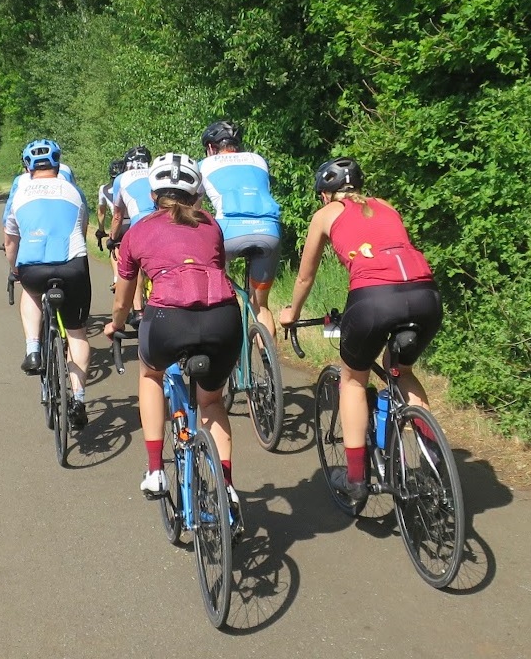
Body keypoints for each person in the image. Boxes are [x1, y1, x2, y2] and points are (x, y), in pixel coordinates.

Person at [278, 157, 442, 502]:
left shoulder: (325, 215)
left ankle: (356, 480)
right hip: (426, 296)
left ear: (325, 194)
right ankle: (435, 460)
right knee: (402, 372)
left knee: (353, 380)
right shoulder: (385, 205)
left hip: (374, 300)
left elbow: (306, 276)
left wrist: (291, 312)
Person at [103, 152, 243, 520]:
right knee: (211, 403)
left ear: (153, 197)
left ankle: (154, 470)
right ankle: (226, 487)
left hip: (168, 317)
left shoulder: (137, 232)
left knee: (150, 374)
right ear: (197, 197)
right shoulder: (210, 224)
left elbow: (122, 297)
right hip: (222, 317)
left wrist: (116, 325)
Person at [5, 139, 93, 428]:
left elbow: (10, 240)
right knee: (77, 334)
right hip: (72, 266)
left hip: (34, 268)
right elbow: (81, 228)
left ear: (27, 166)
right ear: (58, 163)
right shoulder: (73, 190)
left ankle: (33, 350)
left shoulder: (19, 191)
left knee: (29, 290)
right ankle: (78, 398)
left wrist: (13, 269)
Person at [198, 121, 283, 335]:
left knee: (214, 293)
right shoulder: (258, 160)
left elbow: (194, 209)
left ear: (210, 148)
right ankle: (268, 364)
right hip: (269, 231)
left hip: (229, 233)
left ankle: (223, 335)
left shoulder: (204, 165)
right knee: (260, 306)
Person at [110, 146, 155, 320]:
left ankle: (137, 310)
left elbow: (117, 216)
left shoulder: (121, 178)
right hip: (162, 223)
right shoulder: (156, 173)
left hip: (139, 226)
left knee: (135, 267)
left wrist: (112, 239)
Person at [96, 158, 126, 291]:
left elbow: (101, 212)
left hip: (120, 223)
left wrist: (101, 230)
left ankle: (116, 279)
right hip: (137, 221)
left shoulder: (104, 189)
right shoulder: (130, 184)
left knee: (113, 246)